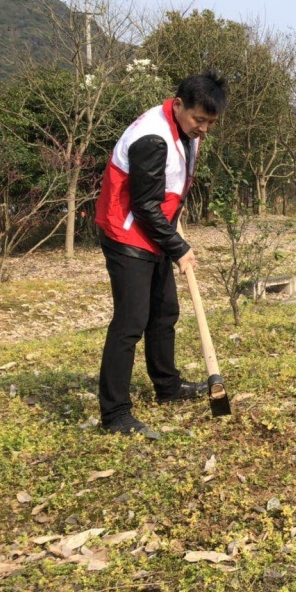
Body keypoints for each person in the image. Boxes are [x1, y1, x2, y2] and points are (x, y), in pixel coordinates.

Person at [95, 72, 228, 438]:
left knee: (165, 311)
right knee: (130, 323)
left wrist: (173, 230)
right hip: (128, 234)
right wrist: (180, 248)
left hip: (155, 232)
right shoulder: (152, 138)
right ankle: (115, 413)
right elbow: (144, 205)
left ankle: (167, 387)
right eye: (199, 120)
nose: (203, 129)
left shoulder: (186, 130)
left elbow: (168, 189)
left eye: (211, 123)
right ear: (179, 103)